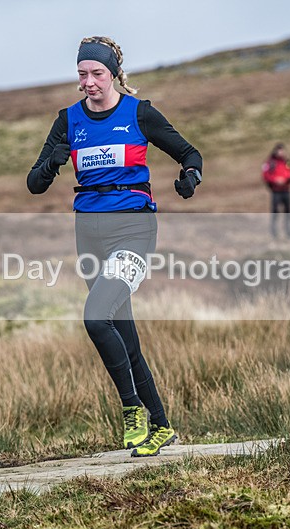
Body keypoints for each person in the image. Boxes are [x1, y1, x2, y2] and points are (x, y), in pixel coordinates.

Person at [27, 36, 202, 457]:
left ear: (114, 75)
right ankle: (161, 426)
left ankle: (132, 410)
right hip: (89, 233)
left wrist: (189, 178)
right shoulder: (68, 120)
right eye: (82, 74)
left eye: (96, 74)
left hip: (133, 231)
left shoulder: (138, 113)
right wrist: (52, 161)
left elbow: (188, 153)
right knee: (123, 333)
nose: (88, 82)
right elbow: (34, 184)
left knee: (95, 317)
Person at [262, 143, 290, 239]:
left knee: (288, 212)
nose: (281, 152)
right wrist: (276, 180)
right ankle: (274, 232)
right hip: (276, 191)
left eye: (282, 150)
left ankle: (289, 231)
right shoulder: (270, 163)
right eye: (279, 150)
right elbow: (266, 175)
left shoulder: (287, 162)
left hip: (286, 190)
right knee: (275, 212)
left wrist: (286, 179)